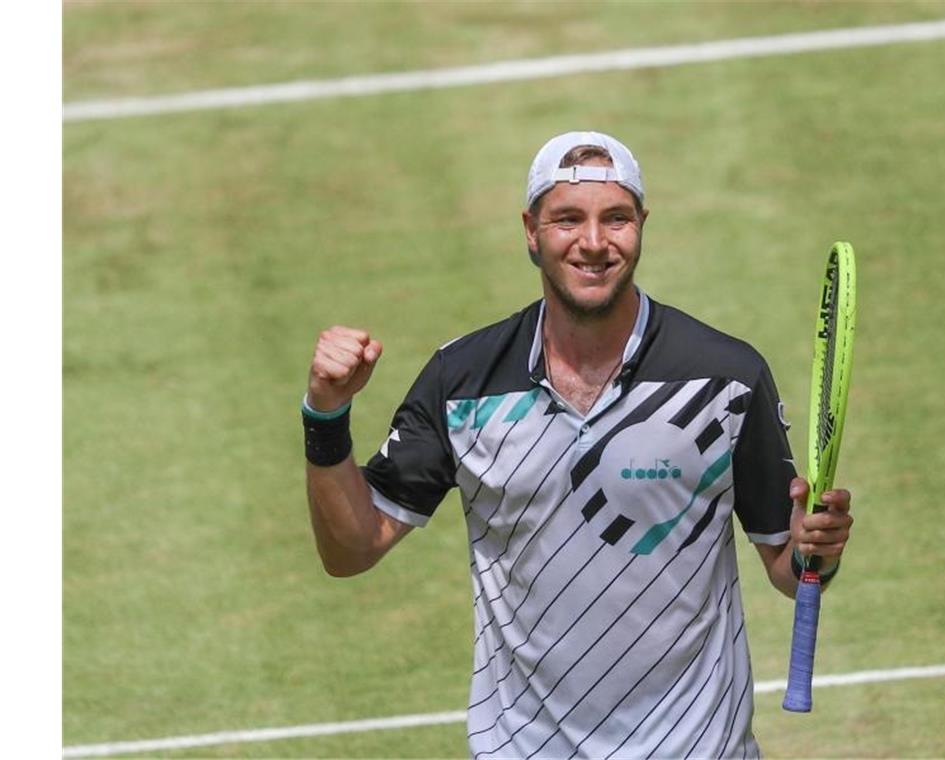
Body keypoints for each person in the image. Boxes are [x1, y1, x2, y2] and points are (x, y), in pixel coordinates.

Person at [302, 131, 854, 758]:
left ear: (641, 225)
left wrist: (818, 552)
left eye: (615, 218)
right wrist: (326, 414)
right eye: (568, 219)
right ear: (531, 231)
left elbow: (788, 568)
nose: (594, 243)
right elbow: (351, 550)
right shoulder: (463, 382)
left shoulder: (724, 378)